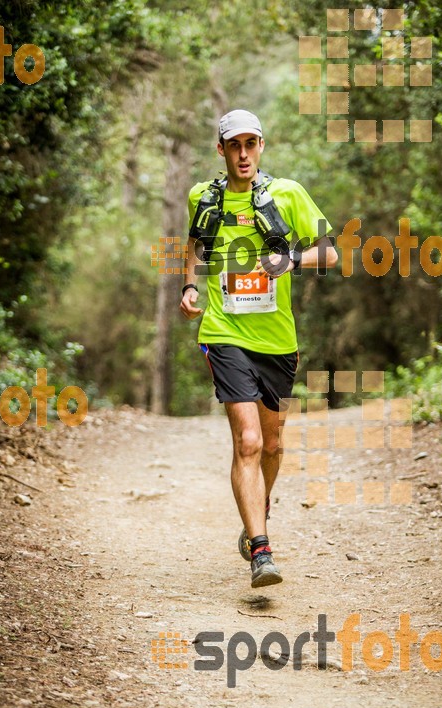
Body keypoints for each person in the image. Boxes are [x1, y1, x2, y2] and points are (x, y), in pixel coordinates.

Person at [180, 109, 338, 589]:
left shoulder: (286, 194)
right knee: (247, 441)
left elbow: (331, 252)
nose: (243, 153)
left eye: (251, 143)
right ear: (222, 149)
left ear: (261, 145)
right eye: (234, 145)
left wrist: (290, 258)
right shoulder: (203, 198)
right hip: (224, 332)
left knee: (272, 444)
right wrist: (188, 287)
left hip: (277, 340)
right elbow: (194, 247)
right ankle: (262, 550)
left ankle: (256, 514)